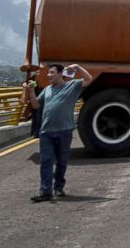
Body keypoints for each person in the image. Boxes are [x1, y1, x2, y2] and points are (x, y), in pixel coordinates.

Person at [24, 63, 93, 202]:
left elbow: (89, 79)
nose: (49, 75)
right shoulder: (47, 89)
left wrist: (78, 67)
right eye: (48, 73)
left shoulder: (72, 86)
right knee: (46, 161)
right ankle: (45, 191)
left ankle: (59, 186)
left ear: (61, 74)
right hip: (46, 132)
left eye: (52, 72)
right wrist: (31, 91)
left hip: (64, 131)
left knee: (62, 162)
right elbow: (36, 105)